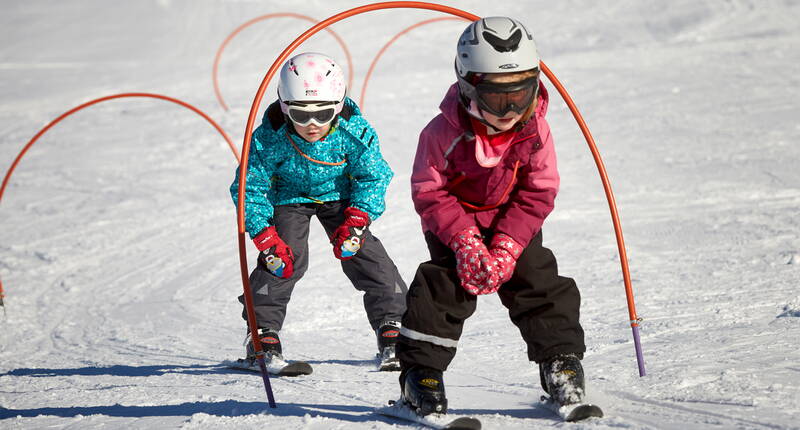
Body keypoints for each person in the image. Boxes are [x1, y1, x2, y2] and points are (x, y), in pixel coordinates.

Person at [396, 17, 589, 414]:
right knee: (443, 287)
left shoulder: (534, 130)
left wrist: (509, 243)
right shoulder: (441, 133)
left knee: (538, 278)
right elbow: (429, 191)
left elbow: (538, 191)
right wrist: (465, 240)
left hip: (511, 219)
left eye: (522, 96)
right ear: (468, 86)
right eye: (497, 99)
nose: (510, 110)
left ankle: (560, 363)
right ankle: (422, 375)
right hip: (454, 222)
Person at [231, 52, 407, 373]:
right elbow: (249, 187)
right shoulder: (269, 139)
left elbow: (374, 174)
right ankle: (262, 332)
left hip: (339, 196)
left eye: (323, 113)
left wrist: (357, 220)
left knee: (365, 253)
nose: (312, 125)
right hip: (290, 196)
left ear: (337, 107)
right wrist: (264, 235)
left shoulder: (353, 131)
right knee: (285, 259)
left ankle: (392, 325)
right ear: (285, 108)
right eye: (300, 114)